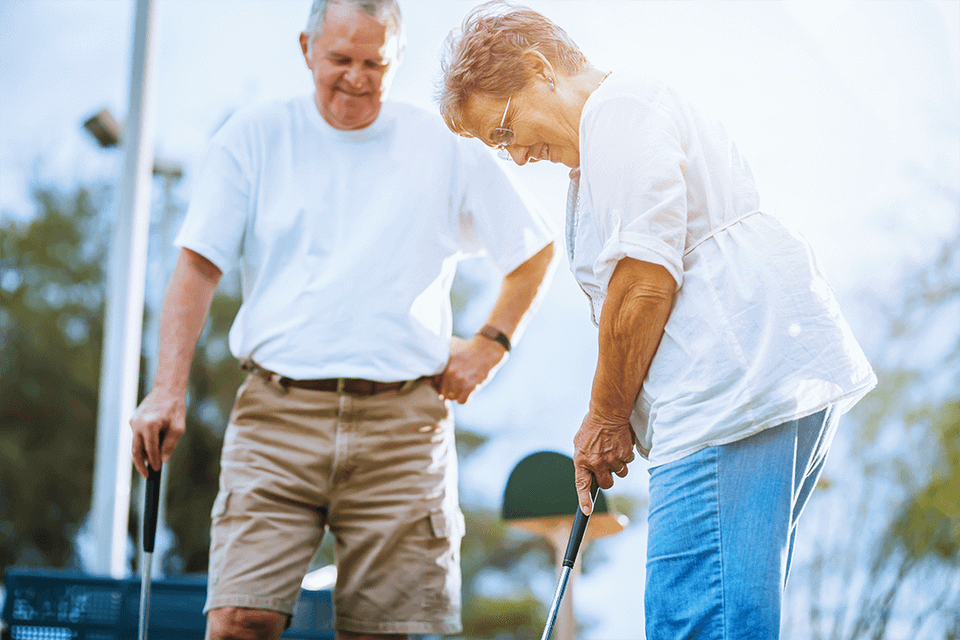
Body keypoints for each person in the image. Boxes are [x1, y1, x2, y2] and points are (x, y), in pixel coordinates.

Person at [438, 2, 876, 637]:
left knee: (698, 620)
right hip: (741, 386)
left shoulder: (618, 111)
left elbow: (643, 279)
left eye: (503, 133)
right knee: (721, 616)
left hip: (725, 391)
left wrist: (607, 416)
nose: (517, 158)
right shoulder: (603, 143)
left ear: (539, 69)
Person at [129, 1, 556, 638]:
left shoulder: (441, 142)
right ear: (306, 48)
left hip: (402, 429)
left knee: (387, 632)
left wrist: (490, 344)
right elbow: (197, 267)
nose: (356, 77)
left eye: (373, 63)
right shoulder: (255, 136)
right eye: (340, 60)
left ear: (396, 59)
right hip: (276, 418)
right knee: (239, 619)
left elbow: (532, 249)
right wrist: (166, 391)